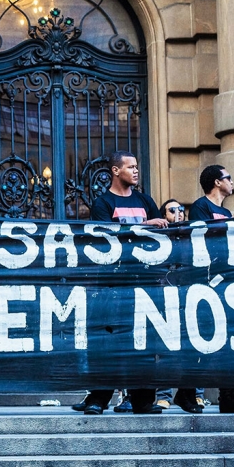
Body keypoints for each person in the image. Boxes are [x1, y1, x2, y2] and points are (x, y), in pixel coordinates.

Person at [72, 151, 166, 416]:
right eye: (130, 167)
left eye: (137, 166)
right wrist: (145, 224)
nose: (136, 171)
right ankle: (98, 398)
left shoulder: (146, 200)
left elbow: (160, 236)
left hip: (144, 282)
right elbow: (104, 238)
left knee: (144, 342)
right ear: (115, 171)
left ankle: (143, 401)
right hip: (112, 285)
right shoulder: (103, 203)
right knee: (108, 341)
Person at [187, 164, 234, 414]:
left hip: (229, 283)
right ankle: (189, 392)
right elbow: (200, 236)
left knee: (231, 340)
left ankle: (229, 395)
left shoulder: (225, 210)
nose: (232, 182)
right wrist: (230, 221)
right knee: (202, 339)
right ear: (217, 182)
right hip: (207, 285)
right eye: (229, 178)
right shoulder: (200, 207)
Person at [153, 199, 205, 414]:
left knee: (193, 345)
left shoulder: (192, 236)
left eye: (181, 209)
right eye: (172, 210)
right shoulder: (157, 238)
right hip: (165, 299)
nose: (178, 213)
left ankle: (195, 394)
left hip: (188, 299)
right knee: (165, 348)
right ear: (163, 215)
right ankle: (163, 394)